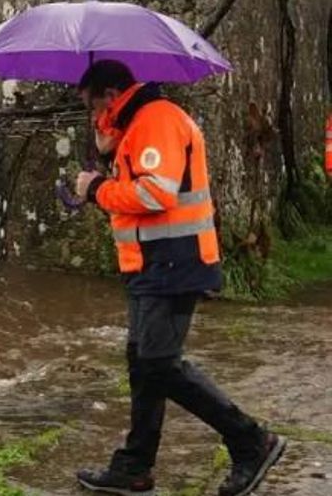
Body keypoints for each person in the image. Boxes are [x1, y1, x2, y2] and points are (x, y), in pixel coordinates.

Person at [71, 59, 285, 496]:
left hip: (174, 262)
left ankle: (251, 441)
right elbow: (142, 182)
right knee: (142, 362)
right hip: (149, 265)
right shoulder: (136, 125)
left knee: (158, 364)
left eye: (93, 107)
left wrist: (95, 188)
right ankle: (134, 466)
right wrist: (109, 149)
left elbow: (155, 192)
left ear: (111, 96)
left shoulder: (157, 120)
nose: (93, 116)